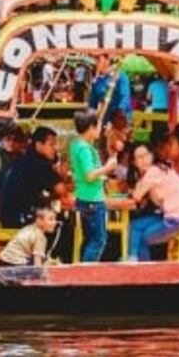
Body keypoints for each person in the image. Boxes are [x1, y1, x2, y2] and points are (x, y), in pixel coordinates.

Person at [124, 144, 179, 261]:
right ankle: (132, 259)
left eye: (146, 155)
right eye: (139, 157)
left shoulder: (154, 170)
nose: (144, 160)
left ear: (152, 155)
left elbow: (137, 196)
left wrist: (137, 184)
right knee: (135, 225)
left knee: (144, 236)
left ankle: (139, 266)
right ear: (134, 162)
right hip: (173, 216)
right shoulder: (159, 169)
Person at [70, 111, 117, 262]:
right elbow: (89, 176)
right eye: (98, 127)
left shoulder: (77, 145)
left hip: (84, 197)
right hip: (93, 199)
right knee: (98, 240)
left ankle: (81, 268)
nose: (100, 130)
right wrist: (107, 168)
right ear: (91, 127)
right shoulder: (84, 148)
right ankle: (85, 270)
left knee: (90, 238)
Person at [0, 126, 67, 228]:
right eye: (51, 144)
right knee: (62, 225)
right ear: (39, 144)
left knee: (56, 217)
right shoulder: (39, 164)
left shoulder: (27, 157)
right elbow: (61, 190)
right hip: (17, 218)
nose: (55, 148)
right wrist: (63, 176)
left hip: (9, 216)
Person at [88, 56, 132, 123]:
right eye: (95, 60)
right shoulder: (97, 81)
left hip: (120, 118)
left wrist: (120, 111)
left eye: (98, 60)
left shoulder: (120, 75)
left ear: (107, 61)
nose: (96, 63)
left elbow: (125, 96)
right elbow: (92, 103)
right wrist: (90, 116)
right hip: (105, 117)